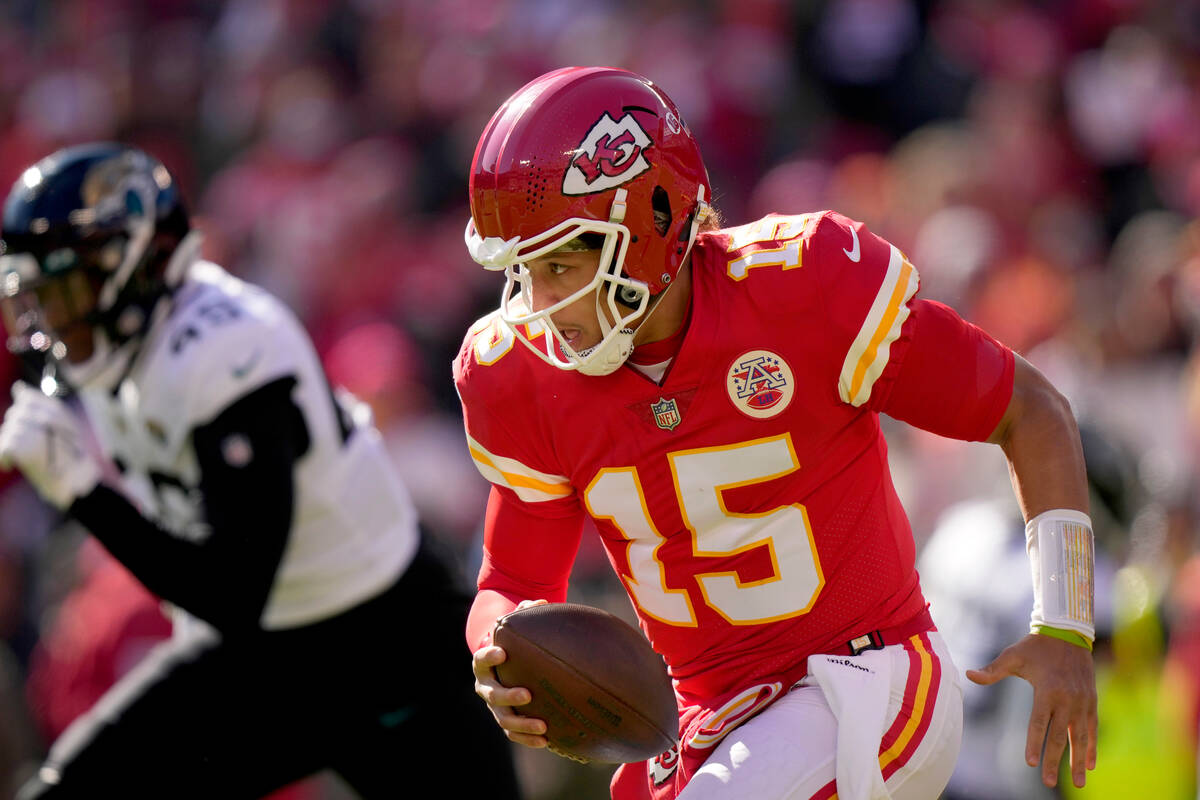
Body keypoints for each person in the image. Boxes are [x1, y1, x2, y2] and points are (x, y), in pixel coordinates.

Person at [453, 67, 1097, 800]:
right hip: (706, 722)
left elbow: (1032, 409)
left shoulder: (806, 286)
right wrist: (497, 648)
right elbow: (513, 582)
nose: (538, 304)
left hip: (868, 680)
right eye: (524, 272)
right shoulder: (516, 374)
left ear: (651, 221)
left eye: (560, 265)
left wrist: (1066, 624)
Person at [0, 143, 521, 799]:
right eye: (39, 299)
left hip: (381, 642)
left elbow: (237, 591)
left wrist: (84, 495)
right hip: (263, 651)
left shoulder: (226, 349)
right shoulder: (121, 352)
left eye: (67, 292)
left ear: (133, 268)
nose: (53, 322)